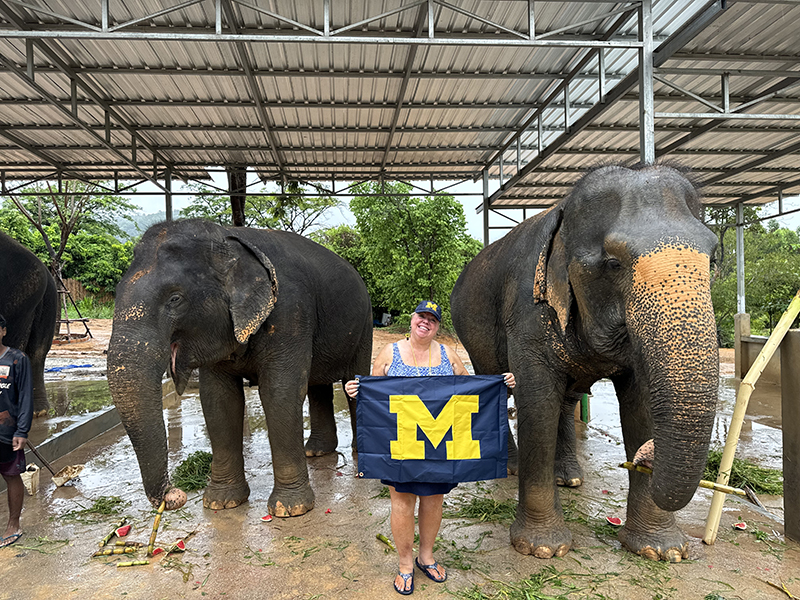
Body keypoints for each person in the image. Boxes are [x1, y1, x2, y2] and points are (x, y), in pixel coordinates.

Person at [345, 300, 515, 595]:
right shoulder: (390, 352)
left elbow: (470, 388)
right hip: (402, 444)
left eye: (432, 320)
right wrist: (357, 391)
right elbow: (374, 393)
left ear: (437, 327)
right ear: (411, 320)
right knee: (402, 502)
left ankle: (426, 557)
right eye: (421, 317)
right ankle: (405, 564)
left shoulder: (448, 354)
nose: (425, 322)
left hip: (440, 445)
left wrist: (501, 385)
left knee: (434, 500)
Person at [0, 313, 33, 549]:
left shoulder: (17, 360)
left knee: (11, 476)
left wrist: (22, 431)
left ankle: (13, 524)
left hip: (6, 434)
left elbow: (25, 398)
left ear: (2, 330)